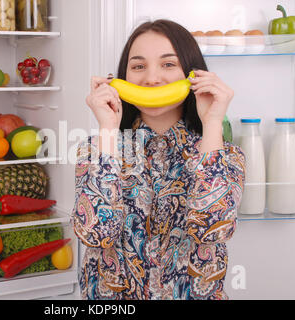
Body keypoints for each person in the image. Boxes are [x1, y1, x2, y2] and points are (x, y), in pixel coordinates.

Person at [72, 19, 245, 300]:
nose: (152, 78)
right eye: (138, 66)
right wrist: (107, 129)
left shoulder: (225, 155)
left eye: (168, 64)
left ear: (193, 74)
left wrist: (212, 122)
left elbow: (212, 229)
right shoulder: (96, 150)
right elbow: (95, 233)